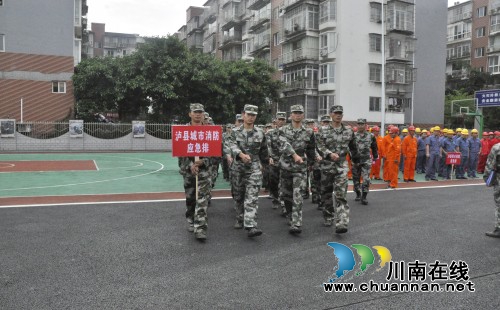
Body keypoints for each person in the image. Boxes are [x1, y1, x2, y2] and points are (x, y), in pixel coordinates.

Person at [227, 104, 269, 237]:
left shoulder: (261, 133)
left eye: (253, 115)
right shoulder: (234, 132)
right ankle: (240, 217)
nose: (251, 117)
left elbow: (264, 151)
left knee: (252, 197)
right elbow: (231, 145)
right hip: (238, 168)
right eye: (248, 114)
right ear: (243, 114)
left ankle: (251, 225)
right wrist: (240, 154)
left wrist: (266, 165)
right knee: (239, 195)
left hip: (254, 168)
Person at [316, 105, 359, 233]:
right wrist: (329, 154)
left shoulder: (348, 131)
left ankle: (342, 222)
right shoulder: (322, 130)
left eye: (340, 113)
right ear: (330, 114)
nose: (338, 115)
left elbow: (353, 147)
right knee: (326, 193)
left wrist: (356, 161)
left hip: (341, 166)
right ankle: (329, 216)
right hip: (326, 165)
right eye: (336, 113)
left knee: (341, 195)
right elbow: (319, 146)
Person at [278, 105, 316, 234]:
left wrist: (311, 163)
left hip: (300, 167)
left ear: (303, 115)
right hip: (286, 166)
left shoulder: (309, 132)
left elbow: (311, 149)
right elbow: (284, 145)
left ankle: (296, 222)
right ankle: (290, 214)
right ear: (291, 115)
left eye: (300, 113)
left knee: (298, 194)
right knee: (287, 194)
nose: (298, 115)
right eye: (295, 112)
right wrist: (294, 155)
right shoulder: (282, 130)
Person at [178, 103, 212, 241]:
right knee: (191, 198)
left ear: (203, 114)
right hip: (188, 171)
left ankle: (200, 228)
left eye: (200, 112)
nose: (198, 114)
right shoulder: (183, 131)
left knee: (202, 199)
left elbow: (215, 153)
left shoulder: (210, 131)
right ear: (190, 114)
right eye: (195, 112)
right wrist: (190, 165)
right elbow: (180, 153)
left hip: (204, 172)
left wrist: (204, 161)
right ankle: (191, 220)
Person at [352, 118, 378, 205]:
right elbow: (349, 147)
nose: (360, 126)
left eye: (362, 124)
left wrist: (375, 156)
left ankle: (364, 197)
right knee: (356, 179)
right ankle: (358, 194)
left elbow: (374, 146)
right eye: (358, 124)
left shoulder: (370, 136)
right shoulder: (353, 135)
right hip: (356, 161)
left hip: (366, 160)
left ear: (365, 125)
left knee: (366, 179)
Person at [267, 112, 286, 210]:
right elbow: (268, 145)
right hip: (274, 160)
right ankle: (275, 199)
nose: (281, 121)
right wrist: (270, 156)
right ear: (276, 121)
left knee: (284, 182)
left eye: (283, 119)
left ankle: (283, 203)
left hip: (286, 161)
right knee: (274, 181)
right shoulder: (270, 132)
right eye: (280, 119)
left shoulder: (288, 132)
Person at [484, 143, 500, 238]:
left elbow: (490, 165)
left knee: (499, 204)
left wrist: (488, 179)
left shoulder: (497, 147)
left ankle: (499, 229)